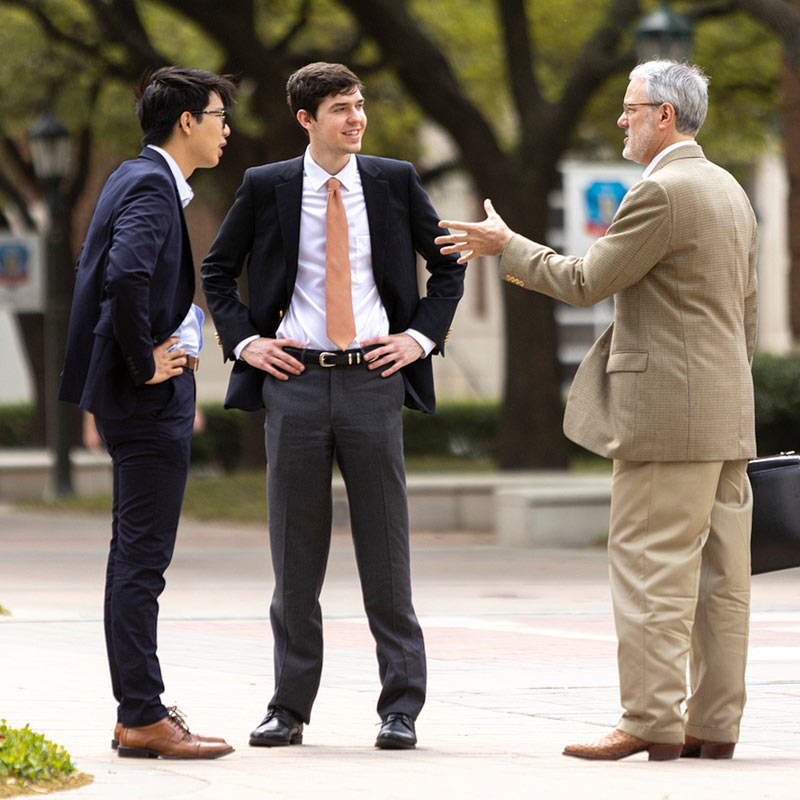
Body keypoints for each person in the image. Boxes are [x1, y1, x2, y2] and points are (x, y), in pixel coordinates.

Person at [436, 60, 757, 762]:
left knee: (650, 569)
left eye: (630, 109)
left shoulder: (662, 192)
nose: (622, 119)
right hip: (727, 415)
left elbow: (586, 282)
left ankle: (649, 721)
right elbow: (747, 313)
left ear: (664, 117)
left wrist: (506, 247)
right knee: (720, 583)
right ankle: (714, 724)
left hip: (664, 416)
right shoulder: (729, 188)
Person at [201, 61, 465, 750]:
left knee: (386, 551)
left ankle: (400, 707)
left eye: (360, 105)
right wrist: (246, 343)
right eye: (341, 109)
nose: (357, 119)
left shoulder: (394, 180)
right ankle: (289, 707)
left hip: (373, 381)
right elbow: (216, 271)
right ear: (305, 119)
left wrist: (417, 338)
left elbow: (448, 265)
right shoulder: (268, 187)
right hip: (294, 383)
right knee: (295, 555)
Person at [59, 66, 237, 760]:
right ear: (187, 120)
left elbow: (106, 266)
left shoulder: (134, 180)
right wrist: (144, 363)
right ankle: (141, 714)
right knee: (141, 560)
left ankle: (138, 711)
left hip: (134, 397)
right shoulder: (150, 185)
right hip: (146, 400)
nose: (228, 129)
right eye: (220, 116)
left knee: (132, 557)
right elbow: (124, 274)